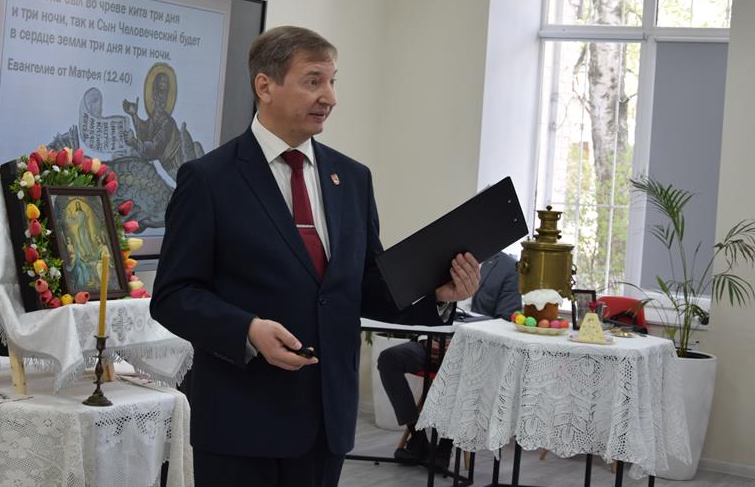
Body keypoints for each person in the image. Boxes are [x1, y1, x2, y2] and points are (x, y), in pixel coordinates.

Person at [150, 25, 482, 487]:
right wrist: (247, 330)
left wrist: (439, 294)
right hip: (240, 421)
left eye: (332, 81)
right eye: (313, 81)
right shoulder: (208, 180)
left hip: (326, 422)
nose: (330, 97)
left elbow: (366, 287)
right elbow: (173, 295)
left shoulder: (353, 179)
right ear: (265, 86)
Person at [376, 250, 521, 467]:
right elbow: (426, 302)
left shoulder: (507, 267)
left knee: (459, 369)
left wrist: (460, 343)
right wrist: (425, 339)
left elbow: (507, 320)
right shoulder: (445, 256)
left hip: (473, 350)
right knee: (389, 359)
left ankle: (444, 447)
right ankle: (417, 438)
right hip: (431, 342)